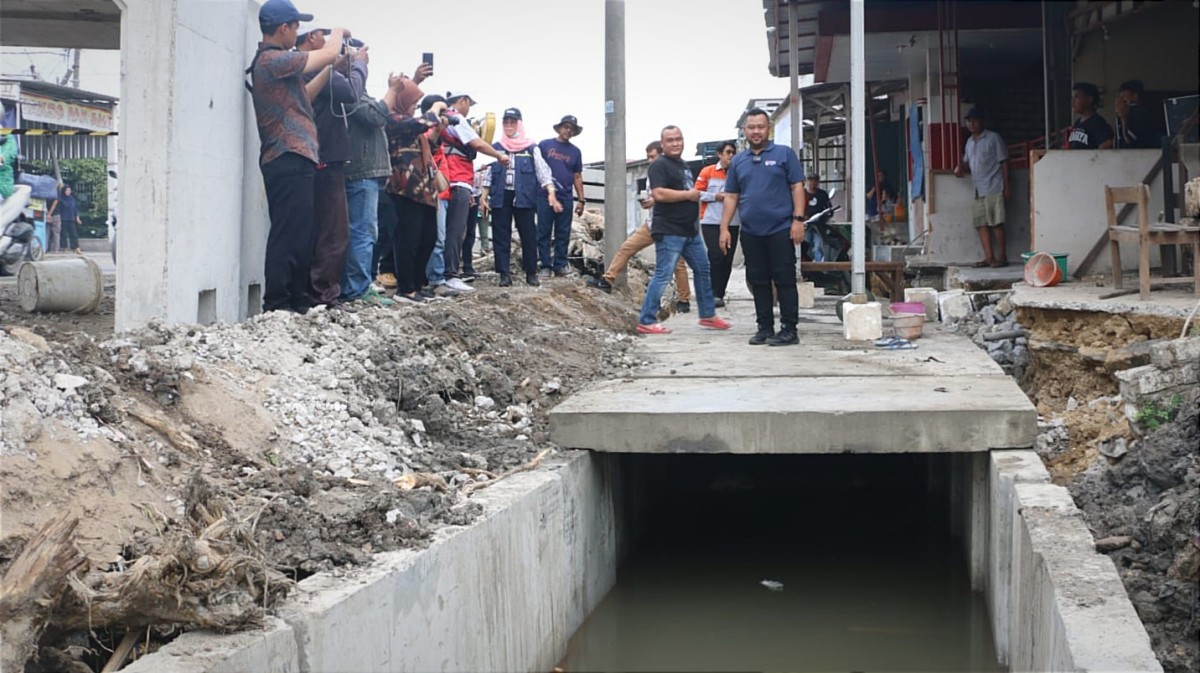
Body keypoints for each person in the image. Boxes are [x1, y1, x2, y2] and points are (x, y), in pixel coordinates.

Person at [247, 0, 344, 313]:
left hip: (296, 157)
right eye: (295, 27)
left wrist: (330, 67)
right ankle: (277, 304)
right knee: (288, 234)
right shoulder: (272, 60)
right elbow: (328, 51)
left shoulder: (278, 65)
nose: (297, 32)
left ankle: (297, 301)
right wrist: (338, 32)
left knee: (301, 234)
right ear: (283, 28)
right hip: (286, 156)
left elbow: (306, 96)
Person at [719, 108, 807, 347]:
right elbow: (731, 196)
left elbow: (797, 187)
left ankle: (789, 329)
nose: (756, 132)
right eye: (751, 127)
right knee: (758, 280)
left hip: (781, 229)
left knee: (784, 279)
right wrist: (724, 228)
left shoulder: (784, 154)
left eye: (760, 127)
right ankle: (764, 328)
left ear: (769, 128)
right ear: (745, 130)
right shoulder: (738, 161)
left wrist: (798, 220)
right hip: (751, 232)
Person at [295, 22, 366, 309]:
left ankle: (314, 293)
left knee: (321, 229)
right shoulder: (311, 65)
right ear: (311, 37)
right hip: (325, 157)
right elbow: (351, 92)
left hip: (318, 156)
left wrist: (342, 67)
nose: (327, 42)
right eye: (322, 35)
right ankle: (322, 295)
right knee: (333, 232)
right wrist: (360, 65)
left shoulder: (306, 65)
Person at [635, 126, 730, 335]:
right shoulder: (659, 165)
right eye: (670, 140)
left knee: (703, 269)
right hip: (670, 230)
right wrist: (688, 195)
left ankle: (708, 315)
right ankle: (646, 320)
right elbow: (659, 194)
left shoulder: (683, 165)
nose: (675, 143)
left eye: (678, 139)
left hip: (689, 231)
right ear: (662, 144)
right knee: (663, 274)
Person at [586, 141, 692, 313]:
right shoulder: (652, 175)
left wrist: (655, 201)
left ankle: (684, 300)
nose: (650, 161)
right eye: (648, 157)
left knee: (678, 263)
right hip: (652, 224)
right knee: (627, 248)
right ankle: (607, 280)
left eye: (653, 157)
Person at [383, 76, 445, 304]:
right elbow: (420, 123)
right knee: (408, 240)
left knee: (428, 238)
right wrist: (436, 108)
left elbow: (429, 148)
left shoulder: (413, 127)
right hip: (404, 189)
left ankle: (418, 285)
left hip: (425, 191)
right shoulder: (392, 119)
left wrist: (437, 130)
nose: (414, 108)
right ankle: (406, 288)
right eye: (413, 103)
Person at [437, 92, 508, 293]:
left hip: (444, 179)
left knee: (444, 230)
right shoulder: (456, 119)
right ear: (463, 101)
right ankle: (450, 274)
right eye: (469, 105)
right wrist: (498, 155)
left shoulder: (439, 120)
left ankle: (439, 273)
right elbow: (476, 143)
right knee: (455, 230)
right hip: (457, 179)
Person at [479, 108, 558, 287]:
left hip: (525, 197)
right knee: (501, 236)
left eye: (512, 122)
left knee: (528, 235)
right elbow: (488, 175)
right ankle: (504, 274)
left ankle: (531, 273)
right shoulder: (496, 147)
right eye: (506, 122)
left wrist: (551, 192)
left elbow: (543, 172)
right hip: (501, 196)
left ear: (519, 124)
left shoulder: (531, 148)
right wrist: (483, 197)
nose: (509, 125)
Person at [341, 87, 396, 307]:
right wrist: (393, 89)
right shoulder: (351, 91)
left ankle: (358, 286)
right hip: (361, 173)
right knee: (362, 232)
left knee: (363, 231)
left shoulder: (354, 91)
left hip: (364, 173)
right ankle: (356, 289)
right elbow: (375, 115)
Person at [955, 107, 1010, 268]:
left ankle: (1002, 257)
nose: (971, 123)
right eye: (968, 121)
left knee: (996, 223)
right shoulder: (969, 142)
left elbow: (1004, 162)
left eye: (974, 120)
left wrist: (1007, 186)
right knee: (981, 223)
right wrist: (960, 168)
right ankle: (989, 258)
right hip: (978, 189)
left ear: (982, 121)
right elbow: (967, 164)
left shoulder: (993, 138)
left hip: (993, 186)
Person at [537, 115, 586, 278]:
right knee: (543, 231)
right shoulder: (544, 145)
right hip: (545, 195)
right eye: (566, 127)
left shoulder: (575, 152)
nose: (568, 130)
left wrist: (581, 199)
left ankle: (560, 265)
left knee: (563, 233)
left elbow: (577, 176)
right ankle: (545, 265)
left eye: (571, 128)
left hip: (566, 196)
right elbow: (537, 167)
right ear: (559, 128)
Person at [695, 140, 740, 307]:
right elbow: (696, 193)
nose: (730, 156)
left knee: (727, 258)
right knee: (716, 256)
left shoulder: (738, 172)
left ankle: (719, 293)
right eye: (727, 152)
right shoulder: (708, 171)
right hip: (711, 221)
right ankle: (711, 292)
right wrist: (715, 196)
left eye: (733, 153)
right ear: (719, 154)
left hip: (733, 222)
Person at [1068, 82, 1114, 150]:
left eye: (1076, 97)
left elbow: (1107, 143)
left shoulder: (1097, 123)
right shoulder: (1078, 122)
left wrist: (1095, 155)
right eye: (1072, 98)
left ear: (1089, 99)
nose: (1073, 101)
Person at [1115, 79, 1156, 149]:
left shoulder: (1141, 113)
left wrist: (1123, 117)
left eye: (1124, 98)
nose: (1122, 100)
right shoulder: (1124, 112)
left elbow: (1131, 139)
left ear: (1135, 95)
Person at [801, 174, 831, 262]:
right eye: (810, 180)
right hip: (805, 226)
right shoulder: (802, 194)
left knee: (818, 247)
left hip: (819, 226)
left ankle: (818, 266)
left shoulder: (822, 194)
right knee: (806, 246)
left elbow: (828, 208)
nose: (812, 183)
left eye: (814, 181)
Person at [57, 185, 82, 254]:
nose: (68, 192)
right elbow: (59, 210)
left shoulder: (72, 199)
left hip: (71, 218)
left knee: (73, 233)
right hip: (63, 218)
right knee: (63, 233)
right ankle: (64, 247)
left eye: (69, 190)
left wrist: (77, 217)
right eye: (67, 190)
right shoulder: (61, 199)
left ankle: (75, 247)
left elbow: (75, 209)